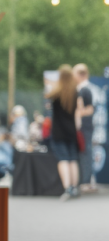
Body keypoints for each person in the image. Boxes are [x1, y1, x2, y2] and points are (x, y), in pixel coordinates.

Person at [45, 64, 84, 200]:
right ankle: (74, 187)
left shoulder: (56, 92)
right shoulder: (75, 92)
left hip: (58, 131)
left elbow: (47, 99)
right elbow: (78, 112)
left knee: (63, 160)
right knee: (73, 159)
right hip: (71, 131)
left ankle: (67, 188)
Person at [74, 63, 96, 191]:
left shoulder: (85, 90)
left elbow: (90, 109)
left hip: (85, 127)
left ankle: (86, 181)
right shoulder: (84, 89)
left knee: (86, 153)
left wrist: (76, 112)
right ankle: (84, 180)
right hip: (83, 127)